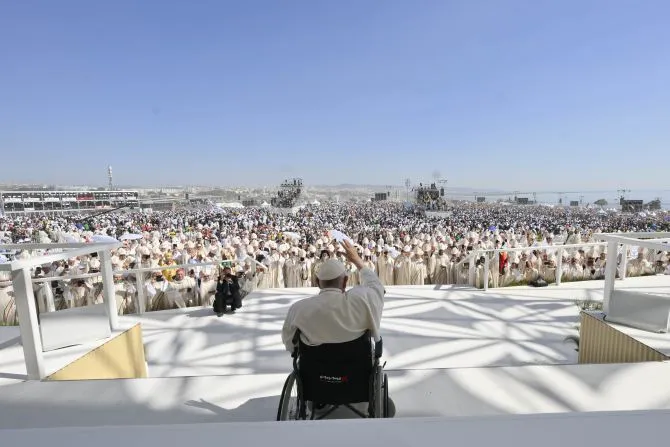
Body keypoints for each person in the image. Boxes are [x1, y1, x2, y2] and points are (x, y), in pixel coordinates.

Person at [281, 239, 395, 417]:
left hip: (316, 381)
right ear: (345, 282)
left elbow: (290, 343)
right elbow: (376, 287)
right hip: (357, 379)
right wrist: (357, 261)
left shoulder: (299, 309)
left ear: (318, 282)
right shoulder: (361, 300)